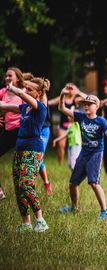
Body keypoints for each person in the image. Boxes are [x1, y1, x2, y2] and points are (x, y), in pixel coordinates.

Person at [58, 86, 107, 219]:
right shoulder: (80, 117)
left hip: (96, 153)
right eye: (85, 104)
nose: (86, 107)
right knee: (72, 183)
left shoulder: (101, 121)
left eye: (89, 105)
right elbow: (62, 109)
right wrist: (62, 95)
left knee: (94, 183)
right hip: (84, 153)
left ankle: (104, 210)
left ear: (96, 107)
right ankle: (74, 207)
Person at [0, 77, 50, 232]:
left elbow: (21, 95)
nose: (26, 91)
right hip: (20, 150)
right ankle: (26, 224)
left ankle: (40, 220)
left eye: (30, 89)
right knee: (18, 187)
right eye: (26, 88)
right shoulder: (24, 108)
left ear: (39, 93)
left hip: (33, 150)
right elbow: (4, 105)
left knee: (25, 184)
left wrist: (15, 89)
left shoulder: (40, 107)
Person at [23, 72, 52, 194]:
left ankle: (45, 183)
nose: (25, 90)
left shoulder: (42, 96)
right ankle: (31, 185)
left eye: (28, 88)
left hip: (43, 129)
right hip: (33, 130)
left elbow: (40, 109)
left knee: (38, 158)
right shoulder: (27, 95)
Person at [0, 67, 25, 201]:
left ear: (18, 79)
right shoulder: (3, 92)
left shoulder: (23, 93)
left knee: (24, 162)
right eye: (6, 76)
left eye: (10, 76)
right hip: (8, 130)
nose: (7, 78)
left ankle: (45, 183)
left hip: (20, 130)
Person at [48, 83, 86, 165]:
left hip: (73, 126)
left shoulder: (76, 100)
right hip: (62, 126)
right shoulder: (62, 98)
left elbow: (89, 99)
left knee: (75, 145)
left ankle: (74, 162)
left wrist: (79, 92)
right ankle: (60, 164)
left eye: (72, 88)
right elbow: (50, 102)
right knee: (61, 145)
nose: (70, 90)